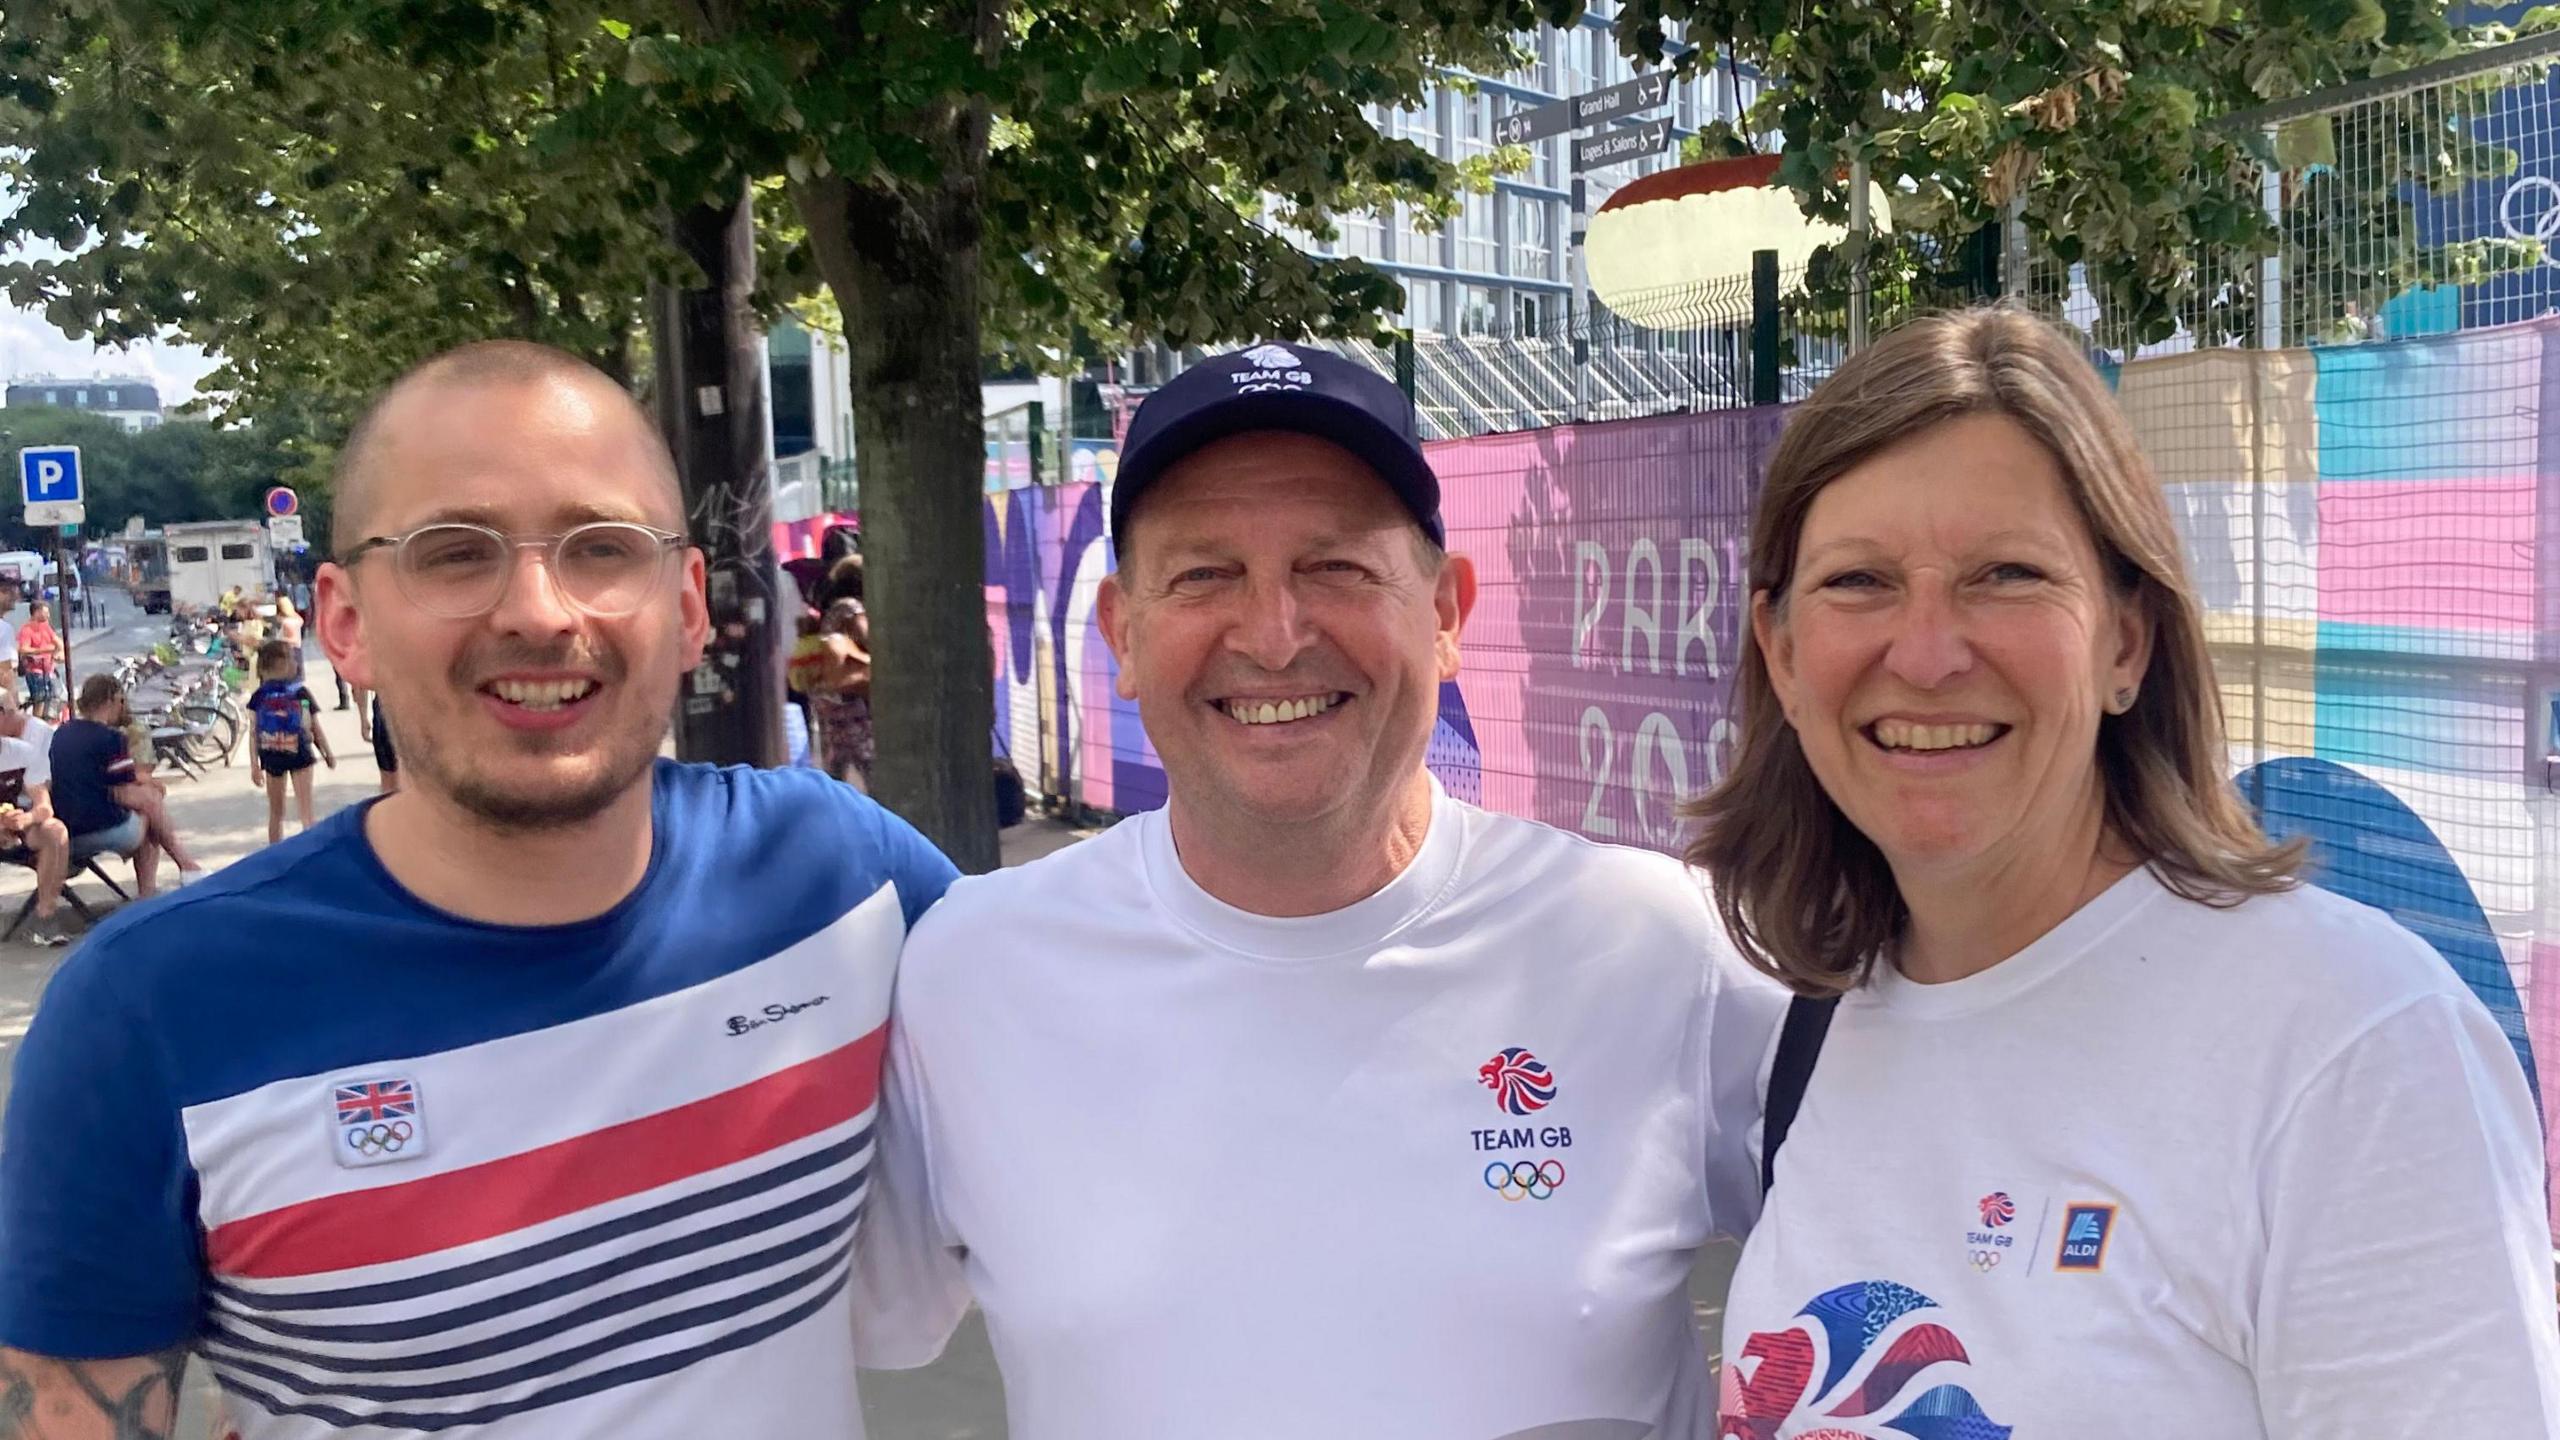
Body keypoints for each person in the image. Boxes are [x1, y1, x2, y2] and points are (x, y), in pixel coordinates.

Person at [0, 340, 958, 1440]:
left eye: (601, 546)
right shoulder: (147, 1014)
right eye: (455, 554)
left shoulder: (843, 879)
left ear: (687, 605)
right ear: (344, 621)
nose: (540, 611)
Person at [852, 344, 1788, 1438]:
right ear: (1123, 635)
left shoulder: (1653, 945)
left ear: (1444, 612)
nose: (1275, 634)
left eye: (1337, 567)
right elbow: (799, 1327)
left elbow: (1926, 1229)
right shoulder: (975, 972)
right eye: (1204, 575)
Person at [1690, 308, 2560, 1437]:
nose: (1926, 651)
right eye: (1858, 582)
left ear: (2124, 644)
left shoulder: (2351, 1045)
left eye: (2005, 574)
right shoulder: (1817, 1026)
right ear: (1784, 654)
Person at [48, 673, 205, 896]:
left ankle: (180, 872)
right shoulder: (111, 738)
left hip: (64, 829)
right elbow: (125, 791)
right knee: (150, 810)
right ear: (112, 699)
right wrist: (152, 789)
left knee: (147, 802)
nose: (124, 707)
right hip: (100, 828)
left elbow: (98, 780)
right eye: (122, 701)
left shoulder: (62, 733)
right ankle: (175, 874)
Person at [247, 637, 336, 842]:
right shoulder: (301, 693)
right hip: (300, 753)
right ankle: (310, 849)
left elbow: (253, 732)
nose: (296, 664)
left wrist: (254, 765)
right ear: (283, 663)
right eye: (293, 660)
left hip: (271, 755)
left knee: (276, 813)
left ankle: (274, 853)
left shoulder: (258, 696)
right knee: (306, 810)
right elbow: (314, 726)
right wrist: (327, 753)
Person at [0, 690, 70, 946]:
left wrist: (26, 819)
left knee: (55, 830)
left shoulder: (22, 753)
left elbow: (44, 806)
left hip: (19, 825)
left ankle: (45, 917)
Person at [353, 682, 399, 794]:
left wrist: (363, 718)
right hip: (403, 706)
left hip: (383, 704)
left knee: (388, 779)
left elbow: (360, 683)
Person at [16, 600, 60, 717]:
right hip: (35, 671)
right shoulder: (26, 630)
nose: (49, 615)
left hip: (48, 669)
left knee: (51, 696)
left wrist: (59, 653)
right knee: (39, 700)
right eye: (46, 612)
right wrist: (46, 650)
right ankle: (37, 724)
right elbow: (23, 649)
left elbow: (57, 642)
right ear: (36, 612)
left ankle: (45, 721)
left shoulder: (45, 627)